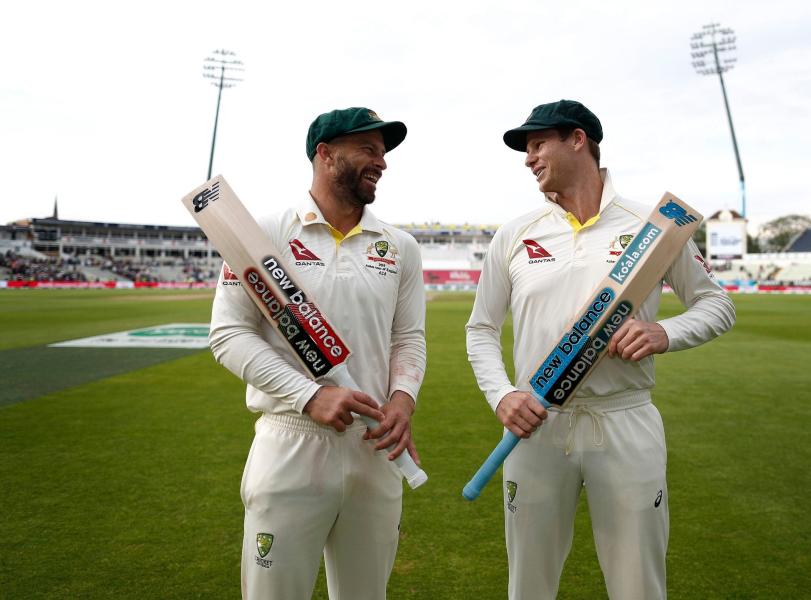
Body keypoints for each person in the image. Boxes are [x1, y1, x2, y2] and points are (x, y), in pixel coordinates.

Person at [465, 100, 736, 599]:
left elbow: (717, 304)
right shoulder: (516, 233)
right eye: (526, 149)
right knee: (529, 585)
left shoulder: (655, 225)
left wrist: (665, 334)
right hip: (536, 423)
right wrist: (501, 395)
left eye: (537, 143)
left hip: (625, 420)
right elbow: (481, 329)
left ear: (578, 140)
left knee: (638, 584)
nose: (528, 158)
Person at [208, 107, 427, 600]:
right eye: (369, 149)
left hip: (374, 447)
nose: (383, 162)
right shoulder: (260, 234)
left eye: (384, 151)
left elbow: (408, 338)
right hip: (292, 442)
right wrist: (309, 396)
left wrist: (402, 400)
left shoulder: (400, 247)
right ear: (326, 155)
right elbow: (227, 334)